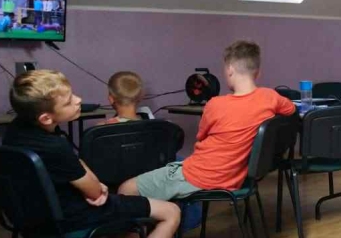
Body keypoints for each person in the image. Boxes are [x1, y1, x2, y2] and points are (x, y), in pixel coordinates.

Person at [2, 70, 180, 238]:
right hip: (68, 217)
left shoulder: (17, 131)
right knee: (170, 212)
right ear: (46, 117)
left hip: (30, 218)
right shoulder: (55, 148)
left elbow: (75, 164)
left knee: (132, 216)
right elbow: (94, 192)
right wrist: (97, 187)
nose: (78, 100)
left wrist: (93, 184)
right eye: (68, 101)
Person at [117, 40, 296, 201]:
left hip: (201, 175)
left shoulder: (215, 105)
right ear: (257, 73)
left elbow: (201, 138)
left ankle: (158, 225)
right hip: (234, 177)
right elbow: (291, 110)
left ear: (230, 69)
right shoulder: (270, 97)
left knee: (125, 189)